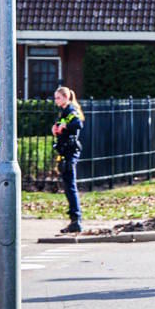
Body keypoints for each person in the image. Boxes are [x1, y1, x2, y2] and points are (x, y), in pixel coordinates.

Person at [52, 86, 85, 234]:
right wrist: (57, 129)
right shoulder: (64, 112)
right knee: (68, 186)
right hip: (65, 152)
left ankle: (76, 220)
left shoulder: (70, 111)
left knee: (70, 186)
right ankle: (74, 219)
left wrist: (64, 126)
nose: (55, 100)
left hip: (70, 153)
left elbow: (78, 124)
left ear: (66, 98)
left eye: (58, 97)